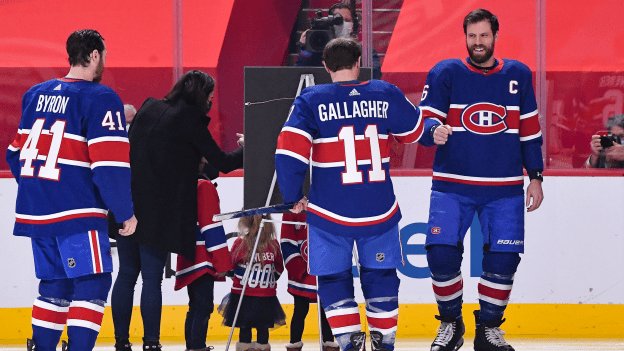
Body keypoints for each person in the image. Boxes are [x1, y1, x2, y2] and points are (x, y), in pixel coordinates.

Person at [275, 38, 424, 351]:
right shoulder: (385, 92)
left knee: (333, 280)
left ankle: (349, 344)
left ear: (326, 67)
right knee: (381, 278)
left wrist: (292, 196)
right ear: (359, 62)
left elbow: (289, 154)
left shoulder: (310, 99)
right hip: (379, 210)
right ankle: (383, 345)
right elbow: (414, 133)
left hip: (329, 212)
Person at [417, 9, 544, 351]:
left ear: (495, 36)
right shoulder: (446, 72)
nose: (478, 43)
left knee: (504, 260)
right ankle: (450, 323)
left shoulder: (518, 74)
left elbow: (530, 131)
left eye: (484, 36)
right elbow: (425, 121)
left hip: (504, 190)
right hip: (451, 186)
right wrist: (433, 132)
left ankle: (488, 329)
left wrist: (535, 176)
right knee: (440, 255)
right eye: (472, 36)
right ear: (465, 37)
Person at [5, 29, 137, 351]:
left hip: (36, 211)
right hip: (77, 212)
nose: (104, 61)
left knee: (54, 284)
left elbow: (14, 153)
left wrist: (40, 191)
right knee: (93, 282)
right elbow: (110, 165)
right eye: (104, 55)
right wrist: (125, 212)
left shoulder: (34, 94)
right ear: (94, 55)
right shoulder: (101, 97)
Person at [111, 70, 244, 351]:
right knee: (150, 279)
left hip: (126, 203)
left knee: (125, 274)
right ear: (201, 97)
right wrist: (249, 148)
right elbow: (222, 162)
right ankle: (151, 343)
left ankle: (121, 342)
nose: (210, 103)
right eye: (209, 97)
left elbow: (157, 153)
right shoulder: (191, 120)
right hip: (157, 212)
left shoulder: (149, 106)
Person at [174, 162, 233, 351]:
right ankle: (198, 347)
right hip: (202, 257)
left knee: (195, 306)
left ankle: (192, 347)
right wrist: (223, 261)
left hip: (189, 255)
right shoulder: (204, 186)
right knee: (203, 306)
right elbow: (211, 226)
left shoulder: (186, 185)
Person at [218, 214, 286, 351]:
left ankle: (244, 348)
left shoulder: (241, 242)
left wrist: (242, 278)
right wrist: (264, 282)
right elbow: (279, 269)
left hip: (244, 296)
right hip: (266, 296)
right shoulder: (273, 244)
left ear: (245, 223)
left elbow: (230, 268)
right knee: (263, 328)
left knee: (244, 326)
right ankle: (262, 348)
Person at [280, 213, 339, 351]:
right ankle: (294, 343)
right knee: (300, 309)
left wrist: (332, 263)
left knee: (325, 310)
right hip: (302, 274)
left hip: (323, 270)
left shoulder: (325, 204)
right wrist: (299, 268)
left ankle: (329, 342)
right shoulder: (292, 210)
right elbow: (287, 241)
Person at [295, 2, 382, 79]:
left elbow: (374, 74)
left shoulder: (365, 52)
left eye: (347, 20)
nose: (343, 24)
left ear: (354, 25)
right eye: (338, 20)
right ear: (330, 23)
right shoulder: (317, 50)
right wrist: (305, 49)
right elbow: (297, 74)